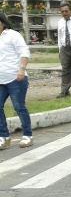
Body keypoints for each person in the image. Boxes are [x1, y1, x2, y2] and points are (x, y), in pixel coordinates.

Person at [0, 13, 33, 150]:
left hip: (16, 78)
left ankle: (27, 135)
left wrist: (22, 69)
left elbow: (24, 52)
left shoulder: (12, 35)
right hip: (1, 81)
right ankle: (4, 137)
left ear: (2, 22)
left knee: (19, 107)